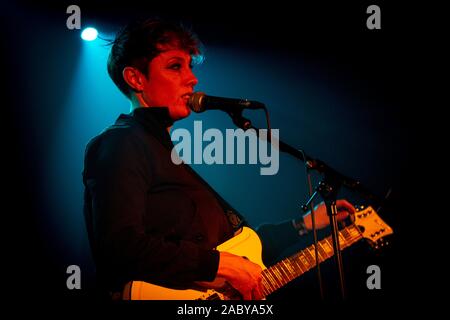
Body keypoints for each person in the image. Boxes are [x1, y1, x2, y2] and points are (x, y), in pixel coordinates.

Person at [82, 18, 355, 300]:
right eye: (175, 66)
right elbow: (119, 247)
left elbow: (244, 250)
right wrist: (221, 265)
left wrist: (304, 225)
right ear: (136, 78)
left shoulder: (164, 153)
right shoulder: (120, 142)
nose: (192, 78)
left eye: (189, 66)